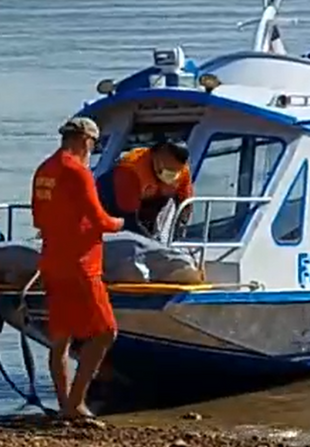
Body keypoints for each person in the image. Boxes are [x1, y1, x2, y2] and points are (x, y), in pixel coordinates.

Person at [31, 117, 124, 418]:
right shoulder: (78, 172)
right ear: (86, 140)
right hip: (82, 265)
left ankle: (63, 405)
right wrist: (121, 223)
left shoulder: (44, 170)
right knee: (105, 331)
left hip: (52, 262)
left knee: (61, 337)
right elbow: (99, 219)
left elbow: (38, 218)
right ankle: (75, 402)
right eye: (93, 145)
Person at [96, 140, 194, 238]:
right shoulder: (130, 169)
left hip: (152, 201)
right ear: (156, 157)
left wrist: (180, 230)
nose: (172, 175)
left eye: (175, 171)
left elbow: (185, 203)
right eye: (168, 169)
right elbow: (128, 218)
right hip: (115, 197)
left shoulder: (182, 171)